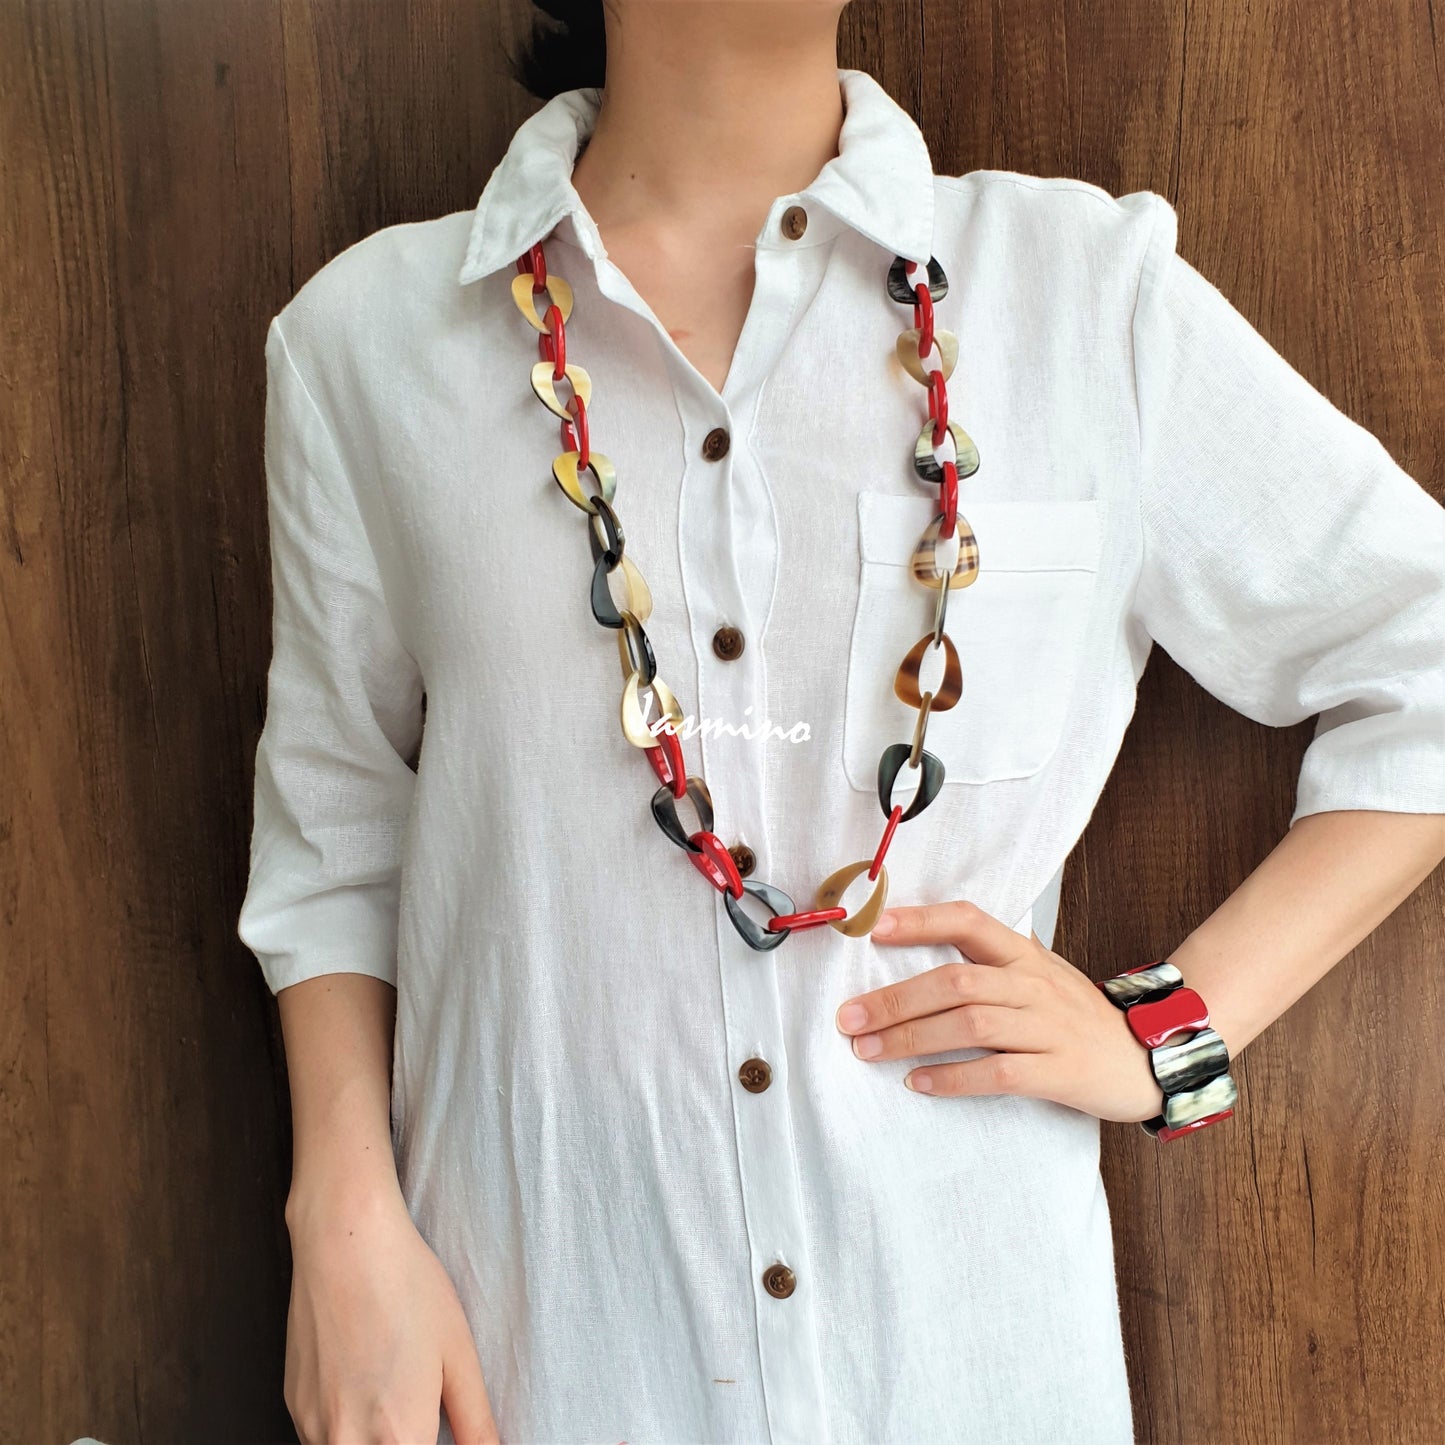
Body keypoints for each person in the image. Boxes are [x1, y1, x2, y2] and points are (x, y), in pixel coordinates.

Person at [236, 3, 1445, 1442]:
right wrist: (342, 1214)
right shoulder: (363, 346)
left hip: (962, 1356)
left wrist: (1167, 1035)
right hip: (541, 1352)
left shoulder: (1077, 299)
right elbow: (334, 833)